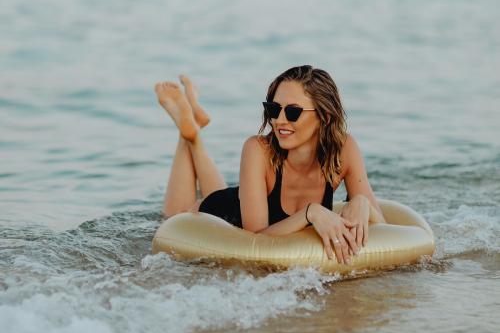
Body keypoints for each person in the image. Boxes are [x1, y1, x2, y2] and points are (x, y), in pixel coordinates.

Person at [154, 65, 385, 265]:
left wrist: (361, 202)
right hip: (218, 217)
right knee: (169, 218)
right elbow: (256, 241)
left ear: (324, 116)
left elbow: (384, 226)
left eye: (293, 112)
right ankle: (188, 135)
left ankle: (193, 128)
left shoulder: (344, 149)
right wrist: (310, 213)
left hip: (242, 200)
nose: (279, 120)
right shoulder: (257, 148)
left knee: (228, 191)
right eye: (274, 109)